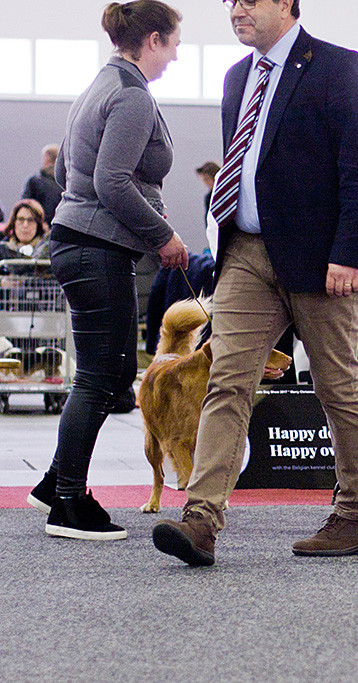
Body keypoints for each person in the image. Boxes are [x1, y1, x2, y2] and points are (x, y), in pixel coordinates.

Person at [151, 0, 358, 565]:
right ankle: (201, 518)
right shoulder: (237, 78)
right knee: (226, 382)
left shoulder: (337, 66)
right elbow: (243, 163)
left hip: (322, 257)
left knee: (338, 386)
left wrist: (349, 253)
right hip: (247, 254)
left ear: (287, 4)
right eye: (230, 1)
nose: (237, 10)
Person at [24, 0, 189, 541]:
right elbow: (112, 182)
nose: (178, 50)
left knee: (110, 373)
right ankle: (68, 501)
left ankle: (54, 481)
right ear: (155, 40)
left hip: (76, 240)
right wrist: (163, 235)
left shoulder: (97, 86)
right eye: (175, 40)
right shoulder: (132, 96)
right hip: (96, 245)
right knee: (103, 376)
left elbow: (73, 170)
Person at [22, 144, 63, 226]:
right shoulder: (65, 182)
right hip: (58, 226)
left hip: (38, 227)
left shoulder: (34, 181)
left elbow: (25, 205)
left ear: (47, 158)